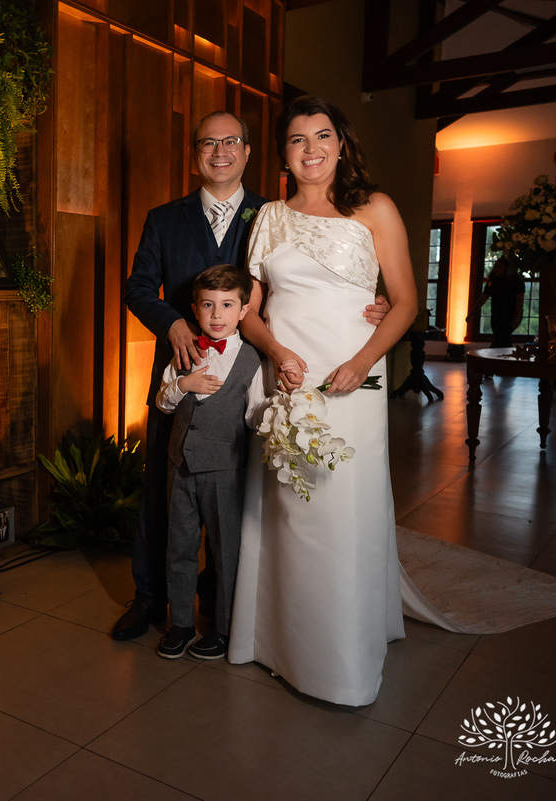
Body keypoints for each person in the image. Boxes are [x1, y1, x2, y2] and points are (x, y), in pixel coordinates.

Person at [117, 110, 391, 641]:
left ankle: (224, 603)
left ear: (247, 152)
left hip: (255, 373)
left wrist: (368, 302)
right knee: (164, 487)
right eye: (207, 143)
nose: (220, 152)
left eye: (231, 142)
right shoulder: (164, 218)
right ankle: (151, 597)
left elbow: (311, 280)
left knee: (240, 491)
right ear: (195, 153)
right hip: (183, 373)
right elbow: (137, 289)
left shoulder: (275, 213)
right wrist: (173, 323)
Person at [227, 95, 419, 706]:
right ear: (282, 154)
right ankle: (278, 642)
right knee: (288, 509)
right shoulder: (269, 218)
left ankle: (342, 659)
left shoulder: (376, 209)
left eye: (323, 136)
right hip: (286, 374)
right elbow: (247, 313)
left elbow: (406, 302)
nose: (312, 149)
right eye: (297, 139)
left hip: (352, 375)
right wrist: (277, 353)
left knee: (342, 508)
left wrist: (361, 362)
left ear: (341, 143)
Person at [154, 264, 265, 660]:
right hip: (179, 465)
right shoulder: (185, 353)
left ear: (243, 311)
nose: (217, 315)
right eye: (208, 306)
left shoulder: (252, 360)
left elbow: (254, 416)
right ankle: (180, 622)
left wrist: (274, 413)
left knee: (224, 550)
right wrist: (183, 384)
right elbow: (163, 403)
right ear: (194, 309)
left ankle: (223, 628)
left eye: (227, 305)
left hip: (224, 469)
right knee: (179, 546)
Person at [467, 257, 524, 349]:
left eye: (499, 267)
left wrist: (517, 317)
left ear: (506, 268)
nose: (495, 269)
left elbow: (519, 301)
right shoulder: (492, 282)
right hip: (496, 316)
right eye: (495, 266)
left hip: (509, 315)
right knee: (502, 340)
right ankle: (504, 360)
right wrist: (471, 313)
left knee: (500, 339)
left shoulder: (516, 281)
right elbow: (483, 298)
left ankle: (491, 360)